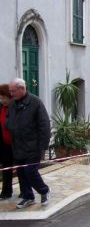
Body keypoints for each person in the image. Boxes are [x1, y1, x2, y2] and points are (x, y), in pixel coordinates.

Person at [6, 78, 51, 209]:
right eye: (10, 91)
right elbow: (8, 118)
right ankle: (28, 196)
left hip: (33, 145)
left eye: (13, 91)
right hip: (18, 145)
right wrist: (9, 125)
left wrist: (43, 146)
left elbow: (44, 124)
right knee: (21, 173)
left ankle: (44, 191)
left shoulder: (36, 102)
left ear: (22, 89)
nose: (11, 93)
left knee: (30, 171)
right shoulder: (13, 104)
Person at [0, 84, 14, 200]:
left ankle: (25, 192)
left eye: (4, 97)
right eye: (1, 98)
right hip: (4, 144)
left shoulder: (17, 107)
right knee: (6, 168)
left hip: (17, 143)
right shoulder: (1, 108)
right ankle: (6, 191)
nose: (2, 100)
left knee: (22, 169)